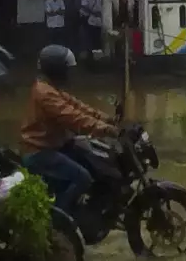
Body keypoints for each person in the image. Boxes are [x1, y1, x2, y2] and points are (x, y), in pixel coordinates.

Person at [18, 42, 116, 229]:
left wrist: (105, 118)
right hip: (39, 151)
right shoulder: (45, 93)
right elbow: (71, 116)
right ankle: (59, 223)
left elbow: (77, 106)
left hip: (54, 145)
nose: (71, 73)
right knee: (83, 178)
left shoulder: (51, 88)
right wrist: (102, 128)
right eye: (67, 69)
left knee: (91, 159)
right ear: (57, 70)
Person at [76, 0, 104, 64]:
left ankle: (91, 58)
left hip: (90, 19)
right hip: (100, 20)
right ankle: (98, 58)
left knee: (89, 39)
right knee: (97, 39)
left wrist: (92, 12)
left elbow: (83, 6)